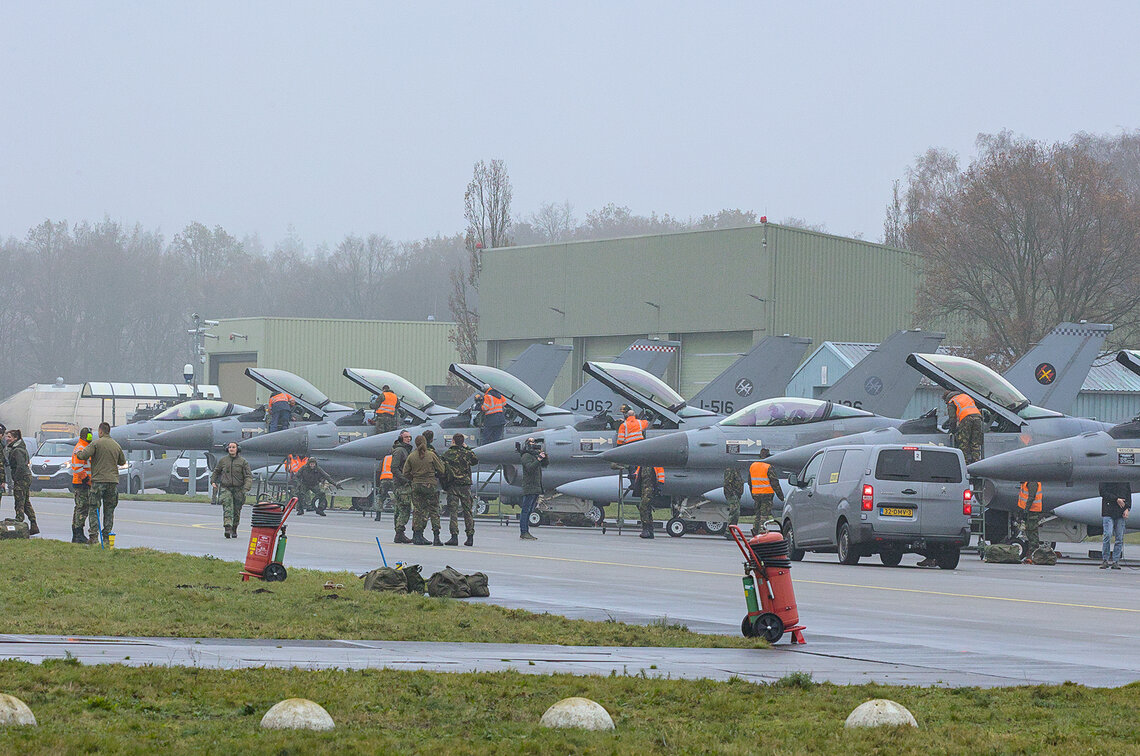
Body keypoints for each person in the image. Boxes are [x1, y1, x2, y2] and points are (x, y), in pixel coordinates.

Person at [76, 422, 126, 543]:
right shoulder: (116, 445)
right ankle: (107, 537)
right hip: (112, 482)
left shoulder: (96, 443)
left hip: (98, 481)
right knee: (109, 510)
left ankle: (93, 536)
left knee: (94, 508)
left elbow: (83, 456)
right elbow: (122, 461)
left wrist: (77, 452)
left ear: (100, 431)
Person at [403, 434, 445, 546]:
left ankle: (417, 535)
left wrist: (414, 478)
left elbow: (405, 472)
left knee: (418, 510)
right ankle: (436, 537)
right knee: (434, 510)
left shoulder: (411, 456)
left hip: (416, 485)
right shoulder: (431, 455)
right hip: (430, 485)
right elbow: (441, 469)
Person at [441, 433, 479, 546]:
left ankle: (454, 536)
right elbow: (475, 460)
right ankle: (470, 537)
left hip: (453, 485)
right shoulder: (467, 453)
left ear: (453, 441)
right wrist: (466, 447)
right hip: (465, 485)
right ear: (462, 442)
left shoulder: (447, 454)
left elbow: (442, 468)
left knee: (453, 512)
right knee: (468, 511)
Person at [211, 442, 252, 538]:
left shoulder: (243, 462)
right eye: (229, 447)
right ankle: (227, 528)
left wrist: (246, 487)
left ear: (237, 449)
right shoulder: (223, 461)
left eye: (233, 447)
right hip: (226, 488)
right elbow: (216, 471)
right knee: (227, 508)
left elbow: (248, 476)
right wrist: (213, 481)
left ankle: (234, 528)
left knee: (236, 510)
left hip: (239, 489)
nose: (231, 449)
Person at [4, 429, 38, 535]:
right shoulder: (18, 448)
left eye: (9, 437)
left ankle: (19, 520)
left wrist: (16, 478)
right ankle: (34, 524)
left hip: (22, 478)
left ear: (15, 438)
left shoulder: (17, 450)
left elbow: (20, 466)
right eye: (6, 436)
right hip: (25, 477)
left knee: (19, 499)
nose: (7, 439)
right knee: (26, 501)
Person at [518, 437, 548, 541]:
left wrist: (544, 456)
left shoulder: (534, 455)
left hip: (535, 487)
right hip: (529, 486)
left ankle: (526, 531)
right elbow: (530, 468)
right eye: (531, 442)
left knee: (530, 509)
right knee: (525, 510)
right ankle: (524, 531)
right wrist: (538, 459)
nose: (533, 443)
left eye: (534, 442)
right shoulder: (526, 456)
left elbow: (545, 464)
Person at [944, 390, 985, 465]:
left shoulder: (952, 401)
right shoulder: (966, 396)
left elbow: (952, 419)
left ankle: (964, 463)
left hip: (966, 418)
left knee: (963, 442)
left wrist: (952, 430)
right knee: (975, 442)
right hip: (978, 418)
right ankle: (976, 462)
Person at [749, 449, 784, 533]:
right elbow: (774, 482)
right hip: (767, 494)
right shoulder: (768, 466)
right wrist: (781, 496)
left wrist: (752, 493)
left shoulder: (753, 466)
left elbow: (750, 482)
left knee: (758, 514)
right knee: (764, 514)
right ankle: (762, 531)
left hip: (756, 494)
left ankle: (755, 530)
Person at [70, 427, 94, 543]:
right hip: (82, 483)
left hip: (81, 482)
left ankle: (77, 533)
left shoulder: (84, 447)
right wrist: (87, 479)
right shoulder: (81, 448)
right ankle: (78, 534)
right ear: (87, 436)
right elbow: (78, 468)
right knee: (82, 509)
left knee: (79, 508)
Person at [1099, 481, 1131, 569]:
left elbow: (1128, 495)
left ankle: (1115, 561)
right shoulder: (1106, 477)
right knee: (1107, 535)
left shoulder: (1124, 480)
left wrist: (1127, 508)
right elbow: (1102, 492)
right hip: (1108, 511)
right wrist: (1116, 499)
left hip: (1120, 512)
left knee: (1119, 538)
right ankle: (1105, 559)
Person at [390, 430, 414, 542]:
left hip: (401, 483)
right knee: (404, 508)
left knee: (399, 509)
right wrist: (405, 479)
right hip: (401, 485)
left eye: (410, 437)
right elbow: (394, 468)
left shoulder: (405, 450)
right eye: (406, 437)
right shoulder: (400, 451)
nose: (408, 439)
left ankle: (399, 533)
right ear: (401, 438)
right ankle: (399, 532)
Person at [1017, 480, 1044, 559]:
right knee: (1029, 532)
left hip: (1032, 511)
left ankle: (1034, 555)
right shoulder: (1025, 482)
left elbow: (1032, 497)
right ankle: (1032, 554)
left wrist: (1026, 510)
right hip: (1028, 510)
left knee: (1032, 533)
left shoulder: (1032, 481)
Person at [637, 465, 664, 539]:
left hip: (650, 489)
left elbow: (660, 474)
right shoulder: (641, 465)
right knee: (647, 509)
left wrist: (660, 485)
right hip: (643, 489)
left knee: (643, 507)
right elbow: (638, 474)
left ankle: (645, 528)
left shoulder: (655, 463)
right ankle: (650, 531)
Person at [723, 466, 744, 539]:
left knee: (736, 513)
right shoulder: (731, 469)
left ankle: (731, 531)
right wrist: (732, 494)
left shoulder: (737, 470)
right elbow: (727, 483)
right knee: (734, 512)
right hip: (732, 495)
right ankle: (729, 532)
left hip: (736, 495)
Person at [374, 452, 394, 522]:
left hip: (384, 480)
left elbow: (378, 470)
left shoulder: (385, 458)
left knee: (380, 497)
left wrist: (377, 483)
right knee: (398, 497)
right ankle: (398, 516)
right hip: (394, 480)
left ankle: (378, 516)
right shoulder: (399, 458)